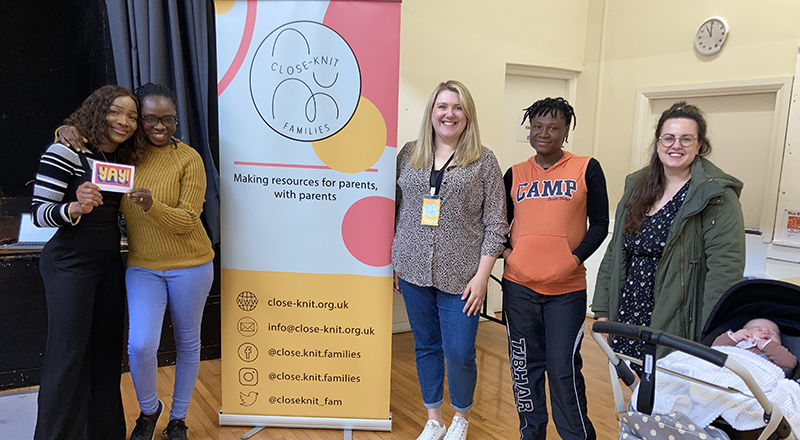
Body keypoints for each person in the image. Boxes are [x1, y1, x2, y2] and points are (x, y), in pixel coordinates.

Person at [58, 83, 215, 440]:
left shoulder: (188, 158)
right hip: (143, 265)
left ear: (176, 120)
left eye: (168, 119)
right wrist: (64, 130)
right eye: (150, 119)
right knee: (141, 345)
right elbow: (86, 143)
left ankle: (178, 418)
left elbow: (187, 221)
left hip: (192, 264)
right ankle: (149, 410)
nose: (160, 126)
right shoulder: (123, 156)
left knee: (188, 343)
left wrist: (150, 206)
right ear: (139, 121)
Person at [392, 80, 508, 440]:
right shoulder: (409, 154)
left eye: (458, 108)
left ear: (467, 115)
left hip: (463, 277)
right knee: (426, 345)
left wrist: (482, 277)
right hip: (412, 269)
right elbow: (395, 210)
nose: (450, 114)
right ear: (431, 112)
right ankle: (434, 419)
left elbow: (496, 223)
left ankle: (460, 416)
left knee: (459, 351)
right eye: (442, 106)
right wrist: (396, 261)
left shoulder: (484, 161)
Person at [31, 84, 145, 440]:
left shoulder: (123, 158)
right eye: (115, 111)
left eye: (132, 116)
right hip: (69, 264)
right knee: (67, 358)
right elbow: (39, 214)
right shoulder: (65, 151)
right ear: (97, 111)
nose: (124, 121)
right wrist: (75, 207)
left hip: (109, 265)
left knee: (108, 356)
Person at [593, 101, 746, 362]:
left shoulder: (716, 195)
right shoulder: (637, 186)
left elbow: (725, 268)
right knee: (633, 380)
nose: (676, 145)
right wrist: (603, 307)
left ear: (700, 145)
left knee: (669, 382)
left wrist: (712, 330)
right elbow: (615, 252)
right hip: (629, 310)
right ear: (658, 143)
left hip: (678, 315)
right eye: (669, 138)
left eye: (686, 138)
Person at [502, 97, 606, 440]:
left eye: (553, 127)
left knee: (562, 368)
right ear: (529, 130)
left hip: (567, 291)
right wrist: (510, 255)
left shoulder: (586, 168)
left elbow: (600, 224)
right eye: (537, 126)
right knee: (524, 368)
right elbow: (497, 224)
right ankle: (531, 434)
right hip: (519, 288)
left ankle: (577, 436)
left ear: (566, 131)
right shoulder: (514, 173)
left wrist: (573, 259)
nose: (543, 133)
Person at [712, 318, 797, 371]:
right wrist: (734, 337)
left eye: (773, 334)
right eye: (758, 329)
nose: (766, 333)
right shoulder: (737, 344)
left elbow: (789, 363)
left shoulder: (775, 353)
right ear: (744, 332)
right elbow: (716, 350)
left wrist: (769, 345)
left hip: (755, 379)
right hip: (728, 369)